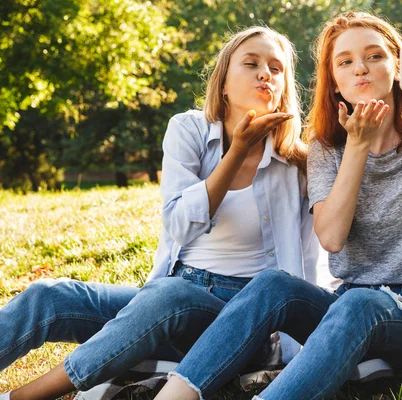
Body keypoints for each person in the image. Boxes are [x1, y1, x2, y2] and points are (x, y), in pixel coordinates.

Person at [151, 10, 402, 400]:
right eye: (345, 62)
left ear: (397, 67)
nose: (361, 68)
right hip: (347, 309)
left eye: (375, 56)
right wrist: (357, 146)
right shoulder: (326, 152)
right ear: (335, 83)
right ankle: (178, 394)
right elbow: (331, 237)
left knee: (363, 303)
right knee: (276, 284)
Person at [0, 26, 318, 400]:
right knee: (48, 296)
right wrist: (236, 153)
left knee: (172, 295)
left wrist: (297, 347)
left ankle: (23, 397)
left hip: (245, 319)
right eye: (251, 63)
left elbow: (311, 261)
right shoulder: (187, 130)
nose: (265, 73)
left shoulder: (299, 163)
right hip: (168, 295)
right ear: (224, 84)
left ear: (284, 90)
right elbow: (181, 225)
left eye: (277, 69)